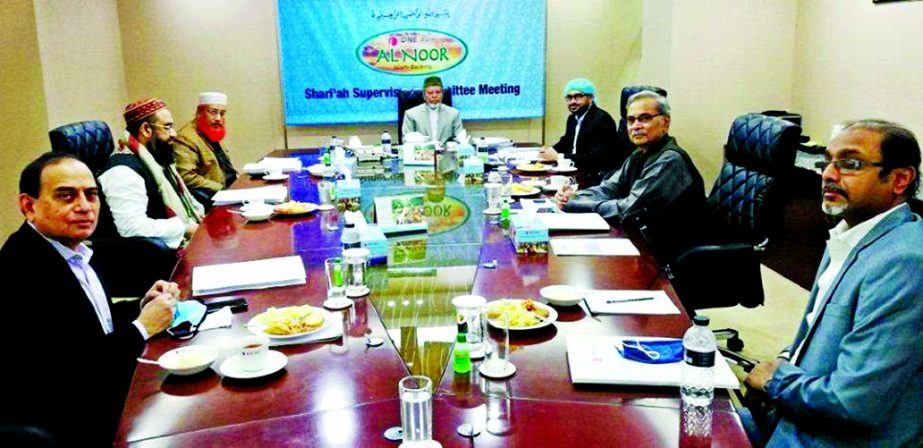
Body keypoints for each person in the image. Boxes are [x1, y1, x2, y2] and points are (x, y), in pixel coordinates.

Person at [743, 120, 923, 447]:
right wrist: (786, 360)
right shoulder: (848, 234)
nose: (828, 174)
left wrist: (775, 381)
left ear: (899, 179)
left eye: (850, 164)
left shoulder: (905, 263)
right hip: (795, 416)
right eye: (827, 161)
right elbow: (815, 337)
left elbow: (853, 403)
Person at [0, 153, 183, 446]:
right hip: (76, 422)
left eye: (91, 195)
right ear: (28, 206)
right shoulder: (21, 270)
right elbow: (76, 371)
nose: (84, 207)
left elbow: (93, 322)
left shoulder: (71, 249)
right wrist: (141, 327)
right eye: (66, 196)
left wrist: (141, 306)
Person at [554, 90, 704, 229]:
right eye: (631, 120)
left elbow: (629, 210)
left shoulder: (669, 160)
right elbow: (610, 188)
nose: (636, 126)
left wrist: (578, 204)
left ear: (665, 122)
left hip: (672, 249)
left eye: (644, 118)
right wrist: (574, 196)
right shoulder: (640, 153)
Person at [99, 97, 204, 249]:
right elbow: (131, 226)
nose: (174, 133)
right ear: (146, 129)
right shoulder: (122, 172)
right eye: (167, 127)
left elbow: (185, 199)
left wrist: (200, 216)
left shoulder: (154, 157)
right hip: (148, 259)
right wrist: (185, 229)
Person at [539, 78, 619, 183]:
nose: (573, 102)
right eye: (569, 97)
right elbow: (566, 141)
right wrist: (550, 151)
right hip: (573, 172)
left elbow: (595, 158)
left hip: (592, 177)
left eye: (578, 96)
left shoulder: (602, 120)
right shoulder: (572, 118)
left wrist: (558, 157)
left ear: (590, 98)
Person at [173, 92, 238, 209]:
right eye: (213, 112)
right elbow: (186, 177)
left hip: (230, 193)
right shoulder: (186, 138)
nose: (218, 118)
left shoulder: (211, 131)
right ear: (199, 113)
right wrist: (223, 189)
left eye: (222, 113)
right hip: (213, 198)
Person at [401, 76, 465, 144]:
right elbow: (406, 141)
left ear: (442, 94)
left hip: (446, 153)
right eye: (430, 93)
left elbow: (459, 140)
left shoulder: (454, 114)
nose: (434, 96)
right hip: (421, 153)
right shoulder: (411, 114)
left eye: (438, 92)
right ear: (424, 95)